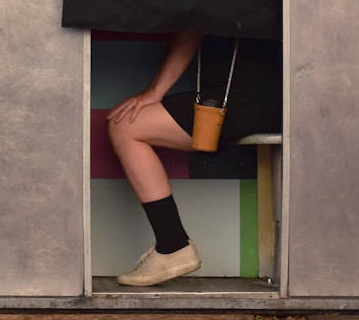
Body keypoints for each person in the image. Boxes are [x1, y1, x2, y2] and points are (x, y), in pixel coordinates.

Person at [107, 30, 280, 287]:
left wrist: (155, 90)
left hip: (245, 98)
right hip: (272, 96)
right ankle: (172, 245)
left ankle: (172, 246)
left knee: (124, 126)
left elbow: (194, 27)